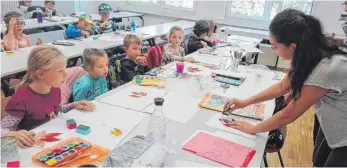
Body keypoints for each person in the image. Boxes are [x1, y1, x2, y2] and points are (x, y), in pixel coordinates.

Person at [224, 9, 347, 167]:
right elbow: (282, 87)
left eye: (275, 47)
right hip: (334, 125)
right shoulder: (308, 55)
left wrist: (253, 129)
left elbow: (288, 115)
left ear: (293, 46)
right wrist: (245, 102)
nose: (273, 51)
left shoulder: (325, 68)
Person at [0, 46, 95, 148]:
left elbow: (54, 110)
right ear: (41, 74)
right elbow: (2, 130)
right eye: (60, 71)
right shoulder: (21, 98)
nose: (65, 74)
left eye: (65, 69)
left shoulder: (54, 89)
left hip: (49, 141)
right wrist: (14, 134)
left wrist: (73, 105)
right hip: (27, 148)